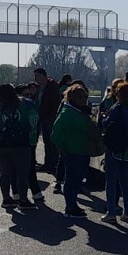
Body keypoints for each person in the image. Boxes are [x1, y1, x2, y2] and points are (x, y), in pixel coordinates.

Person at [100, 82, 128, 224]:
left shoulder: (118, 107)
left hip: (116, 146)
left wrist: (103, 116)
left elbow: (105, 123)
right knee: (126, 181)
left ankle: (111, 212)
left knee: (111, 181)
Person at [0, 84, 34, 209]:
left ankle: (6, 198)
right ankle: (23, 200)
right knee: (22, 173)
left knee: (5, 173)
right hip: (21, 143)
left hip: (2, 144)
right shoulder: (24, 105)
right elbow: (33, 113)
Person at [51, 85, 94, 218]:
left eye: (85, 97)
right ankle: (70, 207)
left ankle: (73, 204)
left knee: (78, 179)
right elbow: (55, 133)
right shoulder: (68, 112)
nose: (83, 99)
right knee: (72, 179)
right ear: (72, 98)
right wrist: (61, 148)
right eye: (80, 97)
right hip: (72, 151)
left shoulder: (81, 111)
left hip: (82, 150)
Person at [34, 68, 62, 173]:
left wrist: (51, 115)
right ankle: (48, 163)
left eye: (37, 76)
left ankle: (53, 164)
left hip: (50, 118)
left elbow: (55, 103)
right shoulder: (40, 87)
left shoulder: (52, 86)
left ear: (43, 75)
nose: (35, 79)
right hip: (42, 118)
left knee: (52, 142)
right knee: (47, 141)